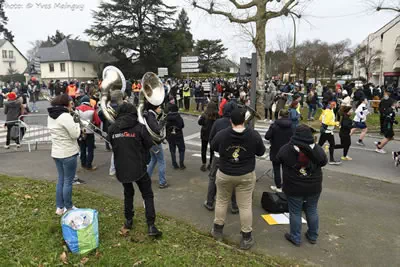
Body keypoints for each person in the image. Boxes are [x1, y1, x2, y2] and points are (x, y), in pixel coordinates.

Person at [210, 108, 266, 250]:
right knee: (245, 205)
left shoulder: (223, 134)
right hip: (246, 175)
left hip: (225, 173)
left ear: (230, 121)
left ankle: (217, 231)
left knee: (221, 201)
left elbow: (214, 146)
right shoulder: (253, 135)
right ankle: (246, 238)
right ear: (244, 120)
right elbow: (261, 151)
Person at [108, 102, 162, 237]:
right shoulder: (140, 128)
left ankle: (128, 221)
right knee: (147, 195)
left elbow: (112, 144)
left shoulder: (112, 128)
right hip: (139, 167)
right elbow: (149, 145)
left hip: (121, 168)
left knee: (128, 192)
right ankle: (151, 226)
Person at [276, 125, 328, 246]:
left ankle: (295, 237)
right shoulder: (317, 149)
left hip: (293, 186)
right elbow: (324, 162)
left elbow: (277, 159)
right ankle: (312, 235)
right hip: (313, 186)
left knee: (295, 212)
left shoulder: (287, 149)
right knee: (312, 209)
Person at [48, 94, 81, 215]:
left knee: (61, 179)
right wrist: (77, 122)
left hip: (56, 152)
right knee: (68, 181)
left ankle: (60, 207)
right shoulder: (65, 116)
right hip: (68, 153)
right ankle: (69, 206)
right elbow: (75, 134)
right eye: (71, 103)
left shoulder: (51, 115)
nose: (72, 105)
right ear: (65, 104)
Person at [205, 102, 238, 213]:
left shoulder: (218, 122)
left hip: (219, 156)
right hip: (234, 156)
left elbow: (211, 139)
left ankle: (209, 202)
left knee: (213, 178)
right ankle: (234, 206)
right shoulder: (238, 123)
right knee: (234, 180)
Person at [265, 110, 293, 193]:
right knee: (286, 169)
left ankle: (278, 186)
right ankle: (285, 186)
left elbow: (267, 136)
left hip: (275, 149)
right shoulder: (292, 125)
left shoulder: (274, 125)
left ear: (279, 115)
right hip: (287, 150)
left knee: (276, 169)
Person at [145, 103, 168, 189]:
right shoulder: (151, 116)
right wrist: (162, 123)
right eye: (159, 107)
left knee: (153, 160)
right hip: (155, 143)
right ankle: (162, 182)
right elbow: (156, 129)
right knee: (161, 162)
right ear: (154, 108)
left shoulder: (149, 114)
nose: (160, 109)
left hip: (151, 142)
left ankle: (146, 178)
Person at [76, 95, 102, 171]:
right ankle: (89, 165)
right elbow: (98, 122)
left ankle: (83, 164)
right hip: (89, 131)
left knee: (82, 148)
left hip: (80, 131)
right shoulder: (92, 110)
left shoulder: (77, 109)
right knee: (90, 150)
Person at [198, 102, 218, 172]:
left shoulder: (204, 115)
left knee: (203, 149)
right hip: (213, 134)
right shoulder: (216, 115)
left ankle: (204, 164)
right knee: (212, 150)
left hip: (204, 134)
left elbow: (200, 122)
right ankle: (211, 164)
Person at [166, 103, 186, 170]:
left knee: (172, 150)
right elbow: (182, 125)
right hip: (178, 135)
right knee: (182, 149)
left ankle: (174, 164)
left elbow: (165, 126)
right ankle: (181, 164)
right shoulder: (178, 117)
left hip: (170, 135)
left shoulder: (167, 117)